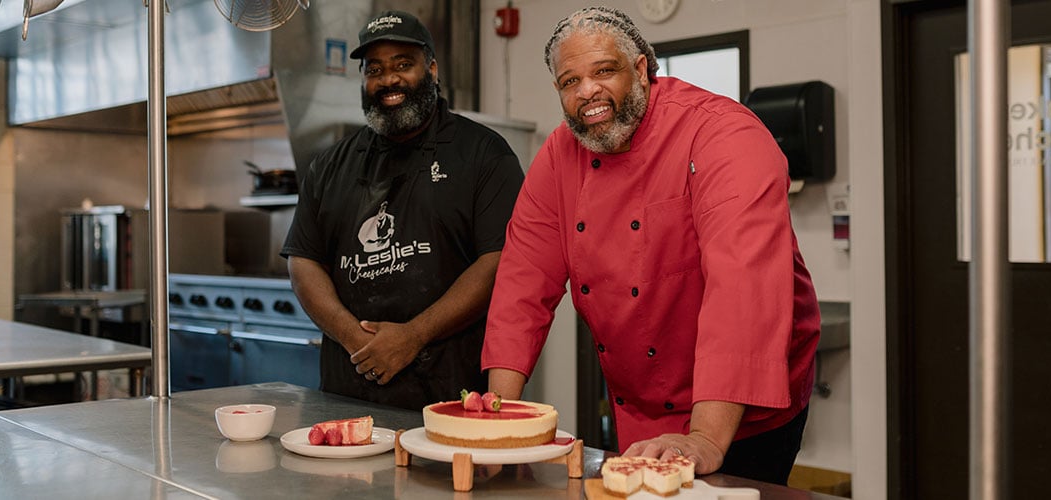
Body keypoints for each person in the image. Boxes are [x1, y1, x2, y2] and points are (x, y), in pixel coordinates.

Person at [480, 7, 820, 485]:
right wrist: (500, 413)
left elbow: (742, 289)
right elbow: (522, 279)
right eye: (569, 81)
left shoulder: (723, 134)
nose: (587, 92)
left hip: (744, 412)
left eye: (604, 71)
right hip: (640, 406)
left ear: (641, 69)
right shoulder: (560, 153)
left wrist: (705, 437)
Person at [280, 10, 525, 411]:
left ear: (431, 68)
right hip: (349, 389)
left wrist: (413, 335)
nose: (388, 80)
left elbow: (499, 261)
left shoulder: (483, 153)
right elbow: (303, 262)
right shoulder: (330, 165)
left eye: (403, 65)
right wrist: (355, 339)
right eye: (374, 69)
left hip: (450, 394)